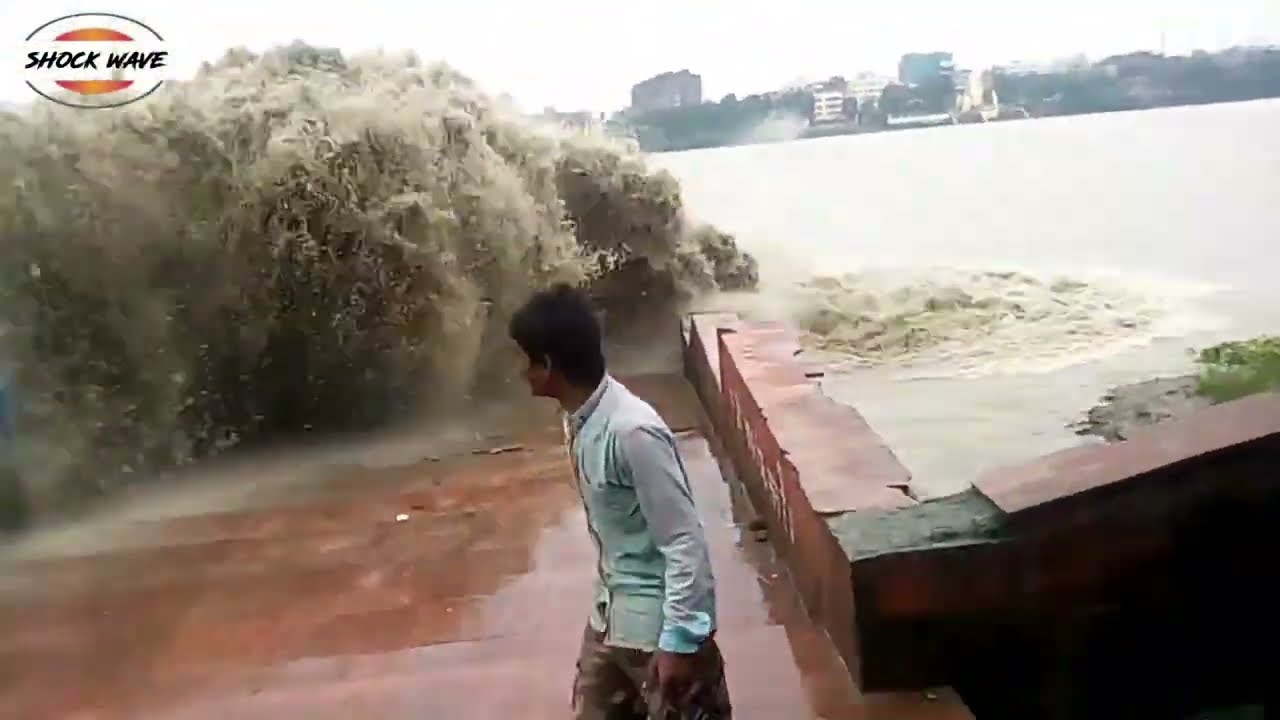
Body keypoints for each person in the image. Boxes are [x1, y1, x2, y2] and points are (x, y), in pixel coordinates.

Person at [508, 284, 731, 720]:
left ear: (548, 365)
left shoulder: (633, 433)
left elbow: (685, 541)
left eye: (525, 359)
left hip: (660, 634)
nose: (521, 372)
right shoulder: (579, 421)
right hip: (610, 621)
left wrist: (679, 642)